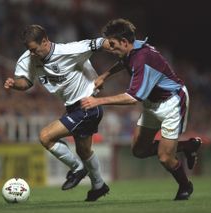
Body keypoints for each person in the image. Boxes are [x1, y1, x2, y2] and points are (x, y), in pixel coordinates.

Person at [81, 18, 202, 200]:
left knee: (165, 158)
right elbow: (125, 62)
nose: (110, 48)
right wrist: (105, 75)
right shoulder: (134, 48)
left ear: (124, 42)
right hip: (152, 104)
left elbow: (132, 99)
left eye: (112, 44)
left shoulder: (142, 59)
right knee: (139, 151)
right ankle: (188, 146)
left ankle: (186, 186)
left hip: (172, 103)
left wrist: (97, 101)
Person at [4, 25, 109, 201]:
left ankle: (77, 169)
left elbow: (98, 43)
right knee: (84, 151)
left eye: (34, 49)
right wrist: (15, 84)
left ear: (45, 41)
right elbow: (27, 82)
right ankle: (99, 186)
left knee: (46, 136)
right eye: (29, 50)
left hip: (88, 104)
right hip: (73, 107)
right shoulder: (28, 59)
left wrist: (125, 46)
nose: (32, 54)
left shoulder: (68, 51)